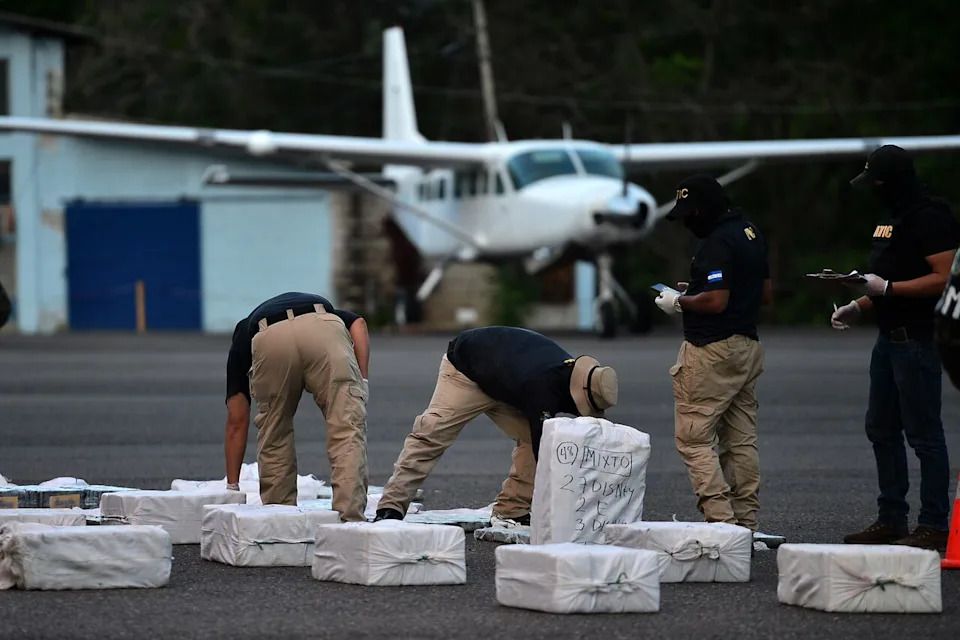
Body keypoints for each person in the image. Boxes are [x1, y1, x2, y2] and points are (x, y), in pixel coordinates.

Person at [833, 145, 958, 550]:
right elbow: (886, 279)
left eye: (877, 182)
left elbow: (945, 277)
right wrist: (860, 303)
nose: (873, 190)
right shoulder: (892, 218)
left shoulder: (930, 217)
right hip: (888, 339)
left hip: (917, 339)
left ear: (893, 182)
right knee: (881, 428)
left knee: (924, 435)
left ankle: (934, 524)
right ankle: (891, 518)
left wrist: (887, 288)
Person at [374, 326, 618, 527]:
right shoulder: (543, 387)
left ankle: (512, 509)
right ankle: (391, 507)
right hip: (466, 370)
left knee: (532, 439)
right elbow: (544, 451)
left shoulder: (573, 377)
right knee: (431, 433)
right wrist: (566, 503)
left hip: (508, 382)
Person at [654, 174, 772, 533]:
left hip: (712, 350)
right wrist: (697, 289)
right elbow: (763, 293)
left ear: (703, 209)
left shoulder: (716, 243)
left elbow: (716, 301)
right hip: (747, 347)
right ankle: (745, 526)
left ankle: (721, 523)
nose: (687, 222)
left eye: (689, 214)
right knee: (740, 440)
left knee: (694, 439)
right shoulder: (750, 232)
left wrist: (680, 302)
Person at [224, 292, 370, 521]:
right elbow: (358, 324)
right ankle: (349, 519)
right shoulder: (323, 309)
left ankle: (281, 519)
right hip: (323, 328)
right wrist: (362, 382)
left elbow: (237, 420)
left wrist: (232, 487)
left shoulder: (244, 334)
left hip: (269, 337)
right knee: (346, 429)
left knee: (274, 433)